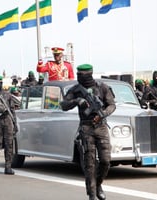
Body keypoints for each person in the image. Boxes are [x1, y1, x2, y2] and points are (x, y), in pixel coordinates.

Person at [60, 64, 116, 200]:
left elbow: (112, 105)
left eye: (82, 75)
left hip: (101, 127)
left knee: (105, 161)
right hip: (86, 128)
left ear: (89, 75)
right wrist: (77, 101)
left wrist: (102, 114)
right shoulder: (76, 90)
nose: (79, 77)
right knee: (89, 163)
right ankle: (91, 194)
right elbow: (63, 105)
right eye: (78, 75)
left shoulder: (102, 87)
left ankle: (98, 184)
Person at [0, 75, 17, 175]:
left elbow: (12, 110)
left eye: (0, 83)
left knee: (9, 144)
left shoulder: (8, 95)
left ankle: (8, 167)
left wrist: (15, 123)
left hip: (7, 121)